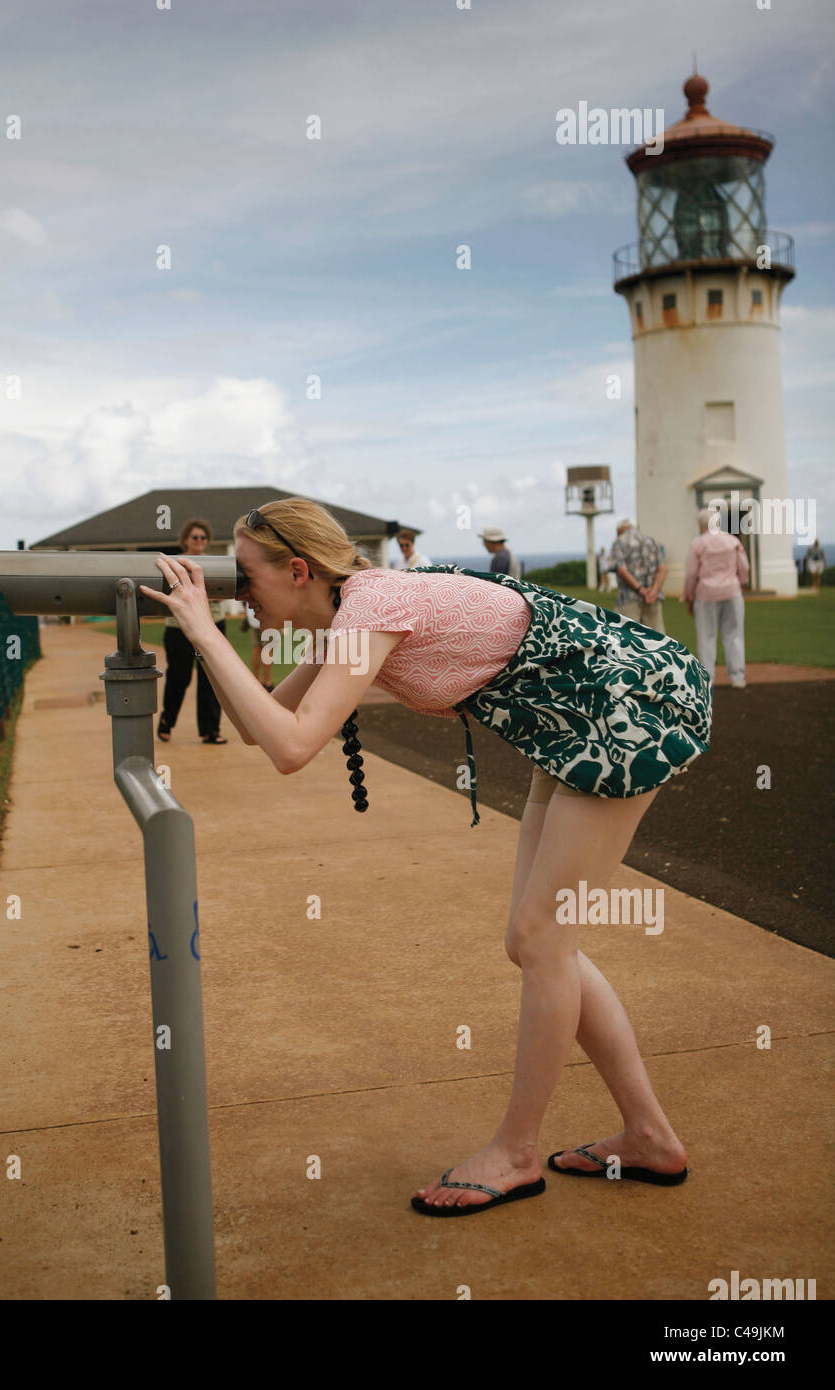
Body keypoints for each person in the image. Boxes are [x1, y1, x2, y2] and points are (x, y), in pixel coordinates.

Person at [138, 497, 711, 1216]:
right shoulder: (351, 610)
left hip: (629, 705)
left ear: (296, 569)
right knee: (535, 943)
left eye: (243, 579)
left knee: (542, 941)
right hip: (568, 722)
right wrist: (205, 631)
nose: (238, 595)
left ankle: (516, 1153)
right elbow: (263, 729)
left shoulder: (374, 606)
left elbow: (291, 748)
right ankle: (650, 1136)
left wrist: (198, 627)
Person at [156, 518, 229, 744]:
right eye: (195, 537)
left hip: (213, 623)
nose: (199, 541)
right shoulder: (176, 564)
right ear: (186, 539)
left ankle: (210, 730)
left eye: (203, 537)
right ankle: (167, 720)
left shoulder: (215, 564)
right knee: (179, 677)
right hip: (180, 627)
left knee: (211, 678)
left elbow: (223, 591)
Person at [682, 509, 750, 689]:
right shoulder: (732, 541)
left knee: (706, 637)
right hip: (732, 592)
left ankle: (708, 679)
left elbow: (691, 573)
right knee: (734, 635)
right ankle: (737, 677)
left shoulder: (698, 543)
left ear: (701, 525)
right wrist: (741, 583)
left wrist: (688, 596)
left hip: (706, 594)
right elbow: (744, 567)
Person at [609, 519, 666, 633]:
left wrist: (640, 590)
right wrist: (654, 591)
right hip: (653, 597)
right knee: (656, 638)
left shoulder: (619, 543)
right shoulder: (652, 541)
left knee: (627, 637)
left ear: (620, 530)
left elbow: (622, 570)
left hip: (628, 598)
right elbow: (662, 569)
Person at [241, 601, 275, 691]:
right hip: (267, 615)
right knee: (268, 649)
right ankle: (267, 683)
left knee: (257, 647)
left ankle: (256, 681)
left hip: (254, 615)